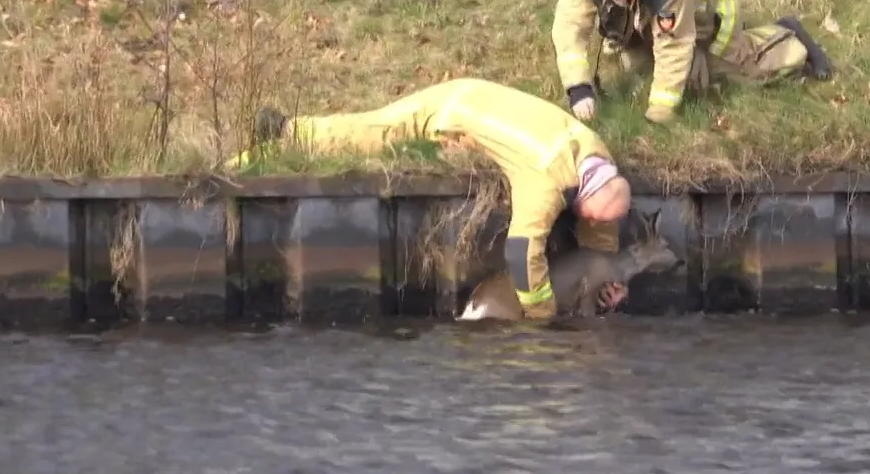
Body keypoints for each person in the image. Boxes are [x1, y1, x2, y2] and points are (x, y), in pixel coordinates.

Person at [229, 77, 634, 319]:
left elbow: (602, 225)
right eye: (594, 218)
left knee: (378, 129)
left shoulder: (597, 155)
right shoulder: (542, 180)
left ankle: (284, 136)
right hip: (454, 107)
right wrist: (543, 319)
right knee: (377, 132)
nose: (597, 224)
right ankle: (286, 134)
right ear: (580, 193)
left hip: (486, 95)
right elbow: (521, 253)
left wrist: (606, 275)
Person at [551, 0, 835, 124]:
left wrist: (659, 115)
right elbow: (569, 29)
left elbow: (673, 48)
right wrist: (579, 90)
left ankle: (788, 34)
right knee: (640, 68)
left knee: (725, 69)